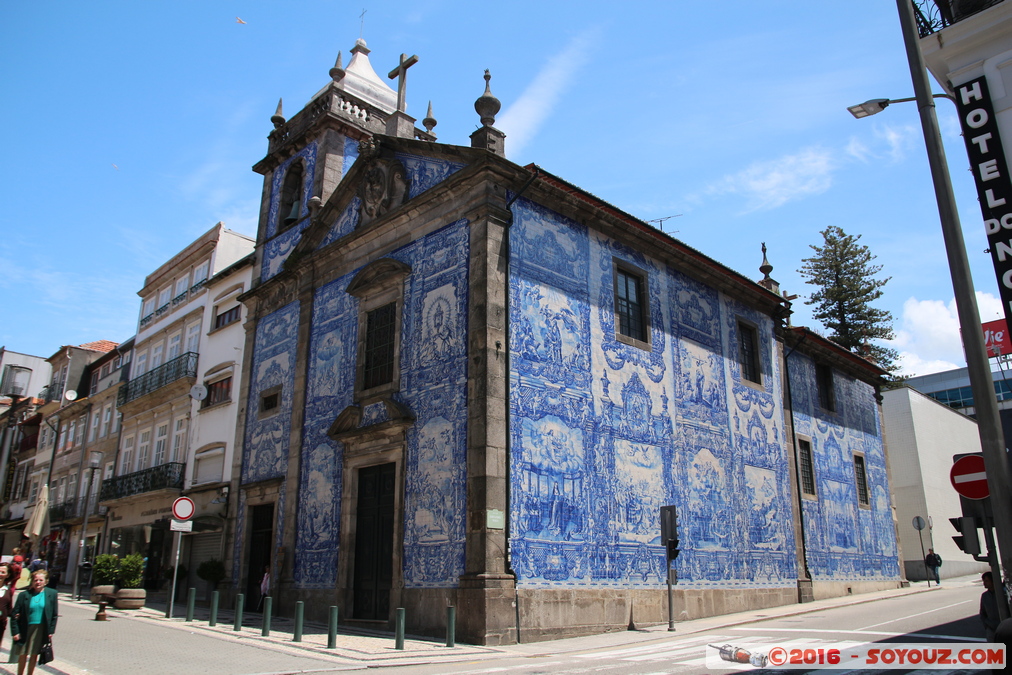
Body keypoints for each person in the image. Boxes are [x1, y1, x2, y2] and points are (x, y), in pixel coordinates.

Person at [10, 570, 57, 675]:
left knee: (34, 654)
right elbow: (14, 614)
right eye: (36, 580)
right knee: (23, 653)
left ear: (46, 581)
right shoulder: (24, 595)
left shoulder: (52, 594)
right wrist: (15, 632)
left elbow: (54, 614)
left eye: (41, 580)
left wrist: (51, 631)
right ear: (32, 581)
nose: (38, 582)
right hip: (25, 628)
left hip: (40, 628)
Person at [981, 571, 1002, 643]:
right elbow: (982, 612)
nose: (984, 583)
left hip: (1002, 626)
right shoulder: (985, 596)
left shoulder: (1002, 593)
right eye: (983, 581)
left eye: (986, 581)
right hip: (990, 627)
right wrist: (986, 625)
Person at [0, 563, 16, 647]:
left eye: (3, 572)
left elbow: (9, 609)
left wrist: (17, 614)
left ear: (7, 575)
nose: (0, 574)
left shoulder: (8, 591)